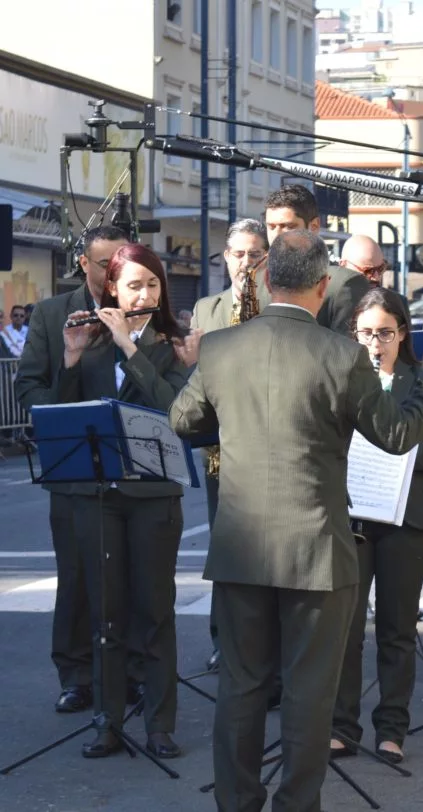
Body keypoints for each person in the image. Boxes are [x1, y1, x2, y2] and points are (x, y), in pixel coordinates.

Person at [168, 230, 423, 812]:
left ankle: (236, 803)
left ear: (263, 278)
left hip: (241, 548)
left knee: (241, 686)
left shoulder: (222, 348)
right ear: (324, 285)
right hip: (317, 550)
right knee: (308, 694)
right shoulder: (341, 354)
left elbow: (184, 421)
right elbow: (397, 434)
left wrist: (233, 422)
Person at [58, 242, 196, 759]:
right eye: (133, 284)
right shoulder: (89, 343)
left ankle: (160, 723)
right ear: (111, 288)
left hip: (154, 496)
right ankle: (107, 722)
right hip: (101, 495)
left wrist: (133, 349)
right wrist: (71, 359)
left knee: (154, 612)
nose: (144, 293)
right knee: (106, 615)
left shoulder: (175, 346)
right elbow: (61, 415)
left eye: (152, 284)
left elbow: (175, 411)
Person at [14, 226, 138, 714]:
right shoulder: (50, 314)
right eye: (102, 263)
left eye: (119, 264)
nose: (111, 273)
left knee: (127, 575)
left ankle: (127, 672)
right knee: (77, 575)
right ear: (84, 263)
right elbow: (29, 391)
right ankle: (76, 673)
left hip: (130, 465)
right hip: (74, 466)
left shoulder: (137, 309)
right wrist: (70, 359)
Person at [332, 288, 423, 765]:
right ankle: (342, 726)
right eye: (365, 333)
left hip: (408, 518)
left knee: (397, 630)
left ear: (402, 333)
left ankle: (392, 729)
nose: (374, 343)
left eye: (384, 333)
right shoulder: (342, 377)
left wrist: (392, 450)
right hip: (355, 513)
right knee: (345, 628)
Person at [190, 218, 270, 672]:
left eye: (255, 254)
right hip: (221, 449)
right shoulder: (207, 308)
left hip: (268, 444)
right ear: (225, 257)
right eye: (238, 254)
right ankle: (224, 639)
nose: (246, 262)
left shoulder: (278, 305)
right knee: (225, 550)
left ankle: (264, 643)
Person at [262, 184, 371, 331]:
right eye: (271, 227)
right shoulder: (257, 281)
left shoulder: (345, 284)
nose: (276, 236)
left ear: (314, 226)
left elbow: (348, 350)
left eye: (288, 226)